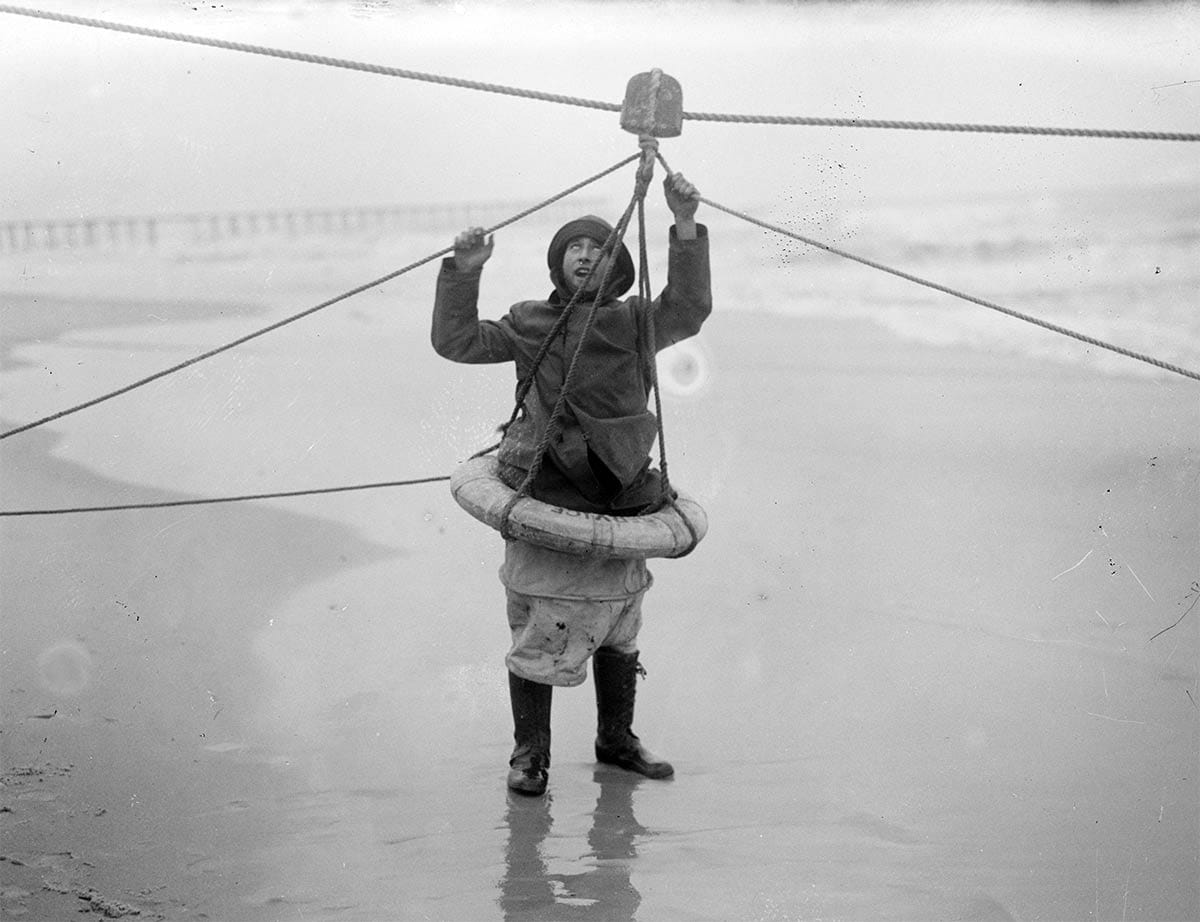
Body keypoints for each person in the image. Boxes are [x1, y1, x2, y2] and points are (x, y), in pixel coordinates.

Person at [432, 172, 711, 796]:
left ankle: (617, 738)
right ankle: (529, 753)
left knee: (619, 621)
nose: (588, 254)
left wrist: (685, 226)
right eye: (576, 247)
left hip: (621, 488)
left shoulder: (638, 321)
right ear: (558, 263)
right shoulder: (531, 321)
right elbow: (455, 341)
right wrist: (465, 268)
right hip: (547, 482)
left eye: (602, 248)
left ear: (619, 269)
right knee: (541, 623)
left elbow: (689, 309)